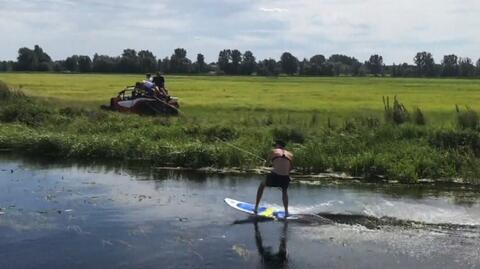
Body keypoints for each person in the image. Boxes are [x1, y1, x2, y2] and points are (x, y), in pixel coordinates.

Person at [254, 140, 293, 217]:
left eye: (275, 145)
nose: (275, 146)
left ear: (278, 145)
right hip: (285, 177)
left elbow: (266, 165)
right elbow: (290, 168)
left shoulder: (273, 151)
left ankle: (256, 207)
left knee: (262, 185)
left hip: (276, 175)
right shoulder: (290, 154)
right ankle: (286, 212)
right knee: (284, 191)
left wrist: (270, 165)